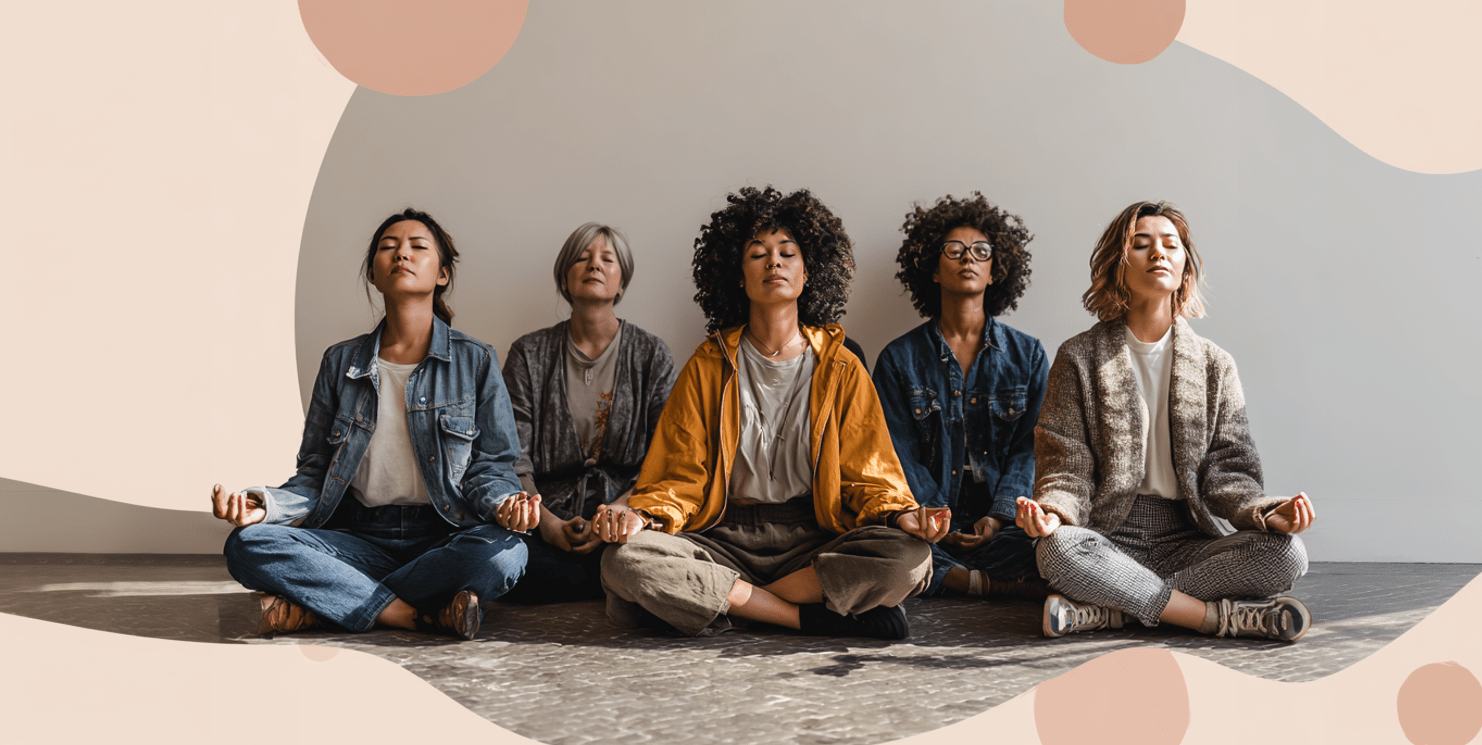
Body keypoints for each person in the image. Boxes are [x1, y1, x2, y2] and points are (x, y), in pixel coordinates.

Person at [597, 186, 948, 639]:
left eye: (787, 253)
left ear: (807, 274)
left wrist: (904, 516)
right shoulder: (707, 365)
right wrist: (642, 517)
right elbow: (678, 477)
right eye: (758, 254)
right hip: (722, 536)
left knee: (912, 558)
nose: (774, 262)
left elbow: (870, 473)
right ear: (739, 277)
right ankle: (799, 617)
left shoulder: (842, 367)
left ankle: (733, 602)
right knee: (624, 560)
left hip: (816, 538)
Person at [215, 208, 538, 639]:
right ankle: (414, 615)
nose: (402, 254)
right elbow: (314, 474)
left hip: (443, 537)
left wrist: (504, 505)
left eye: (417, 247)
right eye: (389, 247)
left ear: (442, 274)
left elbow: (492, 467)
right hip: (359, 537)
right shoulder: (340, 362)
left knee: (505, 554)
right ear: (373, 273)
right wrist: (266, 507)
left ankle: (326, 605)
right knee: (246, 545)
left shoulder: (475, 361)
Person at [1018, 201, 1314, 641]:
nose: (1158, 252)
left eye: (1170, 245)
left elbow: (1230, 469)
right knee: (1057, 550)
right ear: (1119, 264)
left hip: (1187, 540)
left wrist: (1268, 514)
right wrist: (1054, 513)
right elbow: (1066, 462)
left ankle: (1109, 610)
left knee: (1288, 555)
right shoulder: (1078, 357)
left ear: (1184, 265)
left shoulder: (1216, 364)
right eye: (1141, 244)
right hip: (1108, 538)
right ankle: (1217, 619)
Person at [873, 193, 1049, 600]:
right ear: (933, 270)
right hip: (927, 526)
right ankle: (979, 583)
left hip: (1006, 527)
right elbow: (894, 452)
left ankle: (958, 579)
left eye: (980, 251)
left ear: (994, 271)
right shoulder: (899, 359)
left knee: (1057, 544)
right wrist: (939, 521)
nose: (967, 258)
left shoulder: (1029, 355)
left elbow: (1033, 448)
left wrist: (1000, 515)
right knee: (878, 540)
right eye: (954, 250)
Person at [501, 223, 676, 602]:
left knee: (647, 562)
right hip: (543, 521)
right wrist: (545, 522)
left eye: (606, 259)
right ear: (565, 278)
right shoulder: (528, 354)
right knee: (499, 560)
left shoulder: (651, 355)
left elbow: (666, 458)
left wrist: (618, 514)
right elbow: (513, 454)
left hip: (626, 520)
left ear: (621, 283)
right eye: (582, 258)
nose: (594, 265)